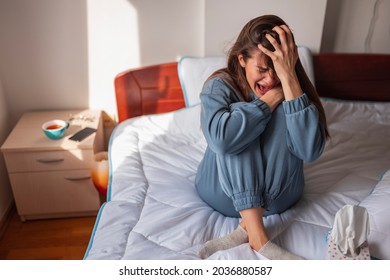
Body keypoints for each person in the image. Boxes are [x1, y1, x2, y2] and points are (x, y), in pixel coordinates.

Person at [195, 14, 329, 260]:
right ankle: (258, 237)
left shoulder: (291, 86)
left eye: (277, 69)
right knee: (236, 121)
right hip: (221, 193)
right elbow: (221, 140)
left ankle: (247, 228)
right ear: (242, 60)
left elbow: (310, 151)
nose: (271, 80)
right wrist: (267, 102)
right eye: (263, 69)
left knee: (281, 111)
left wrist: (289, 81)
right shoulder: (219, 86)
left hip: (279, 196)